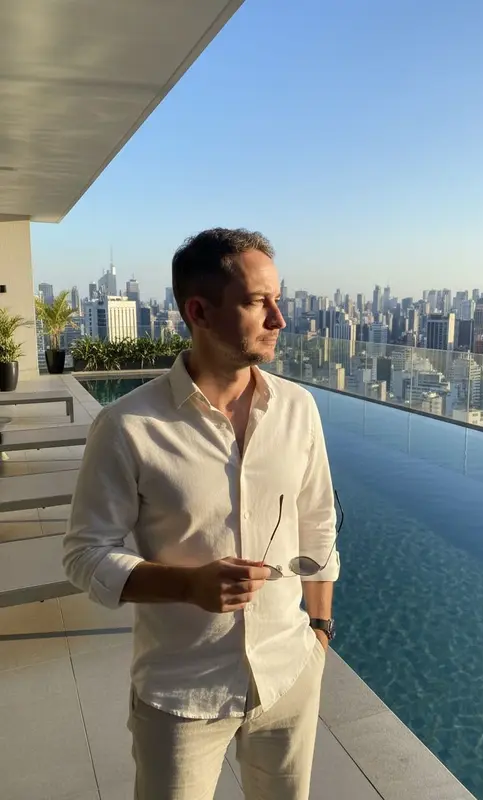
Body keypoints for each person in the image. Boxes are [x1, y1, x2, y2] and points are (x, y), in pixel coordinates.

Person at [63, 227, 340, 800]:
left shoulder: (297, 409)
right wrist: (188, 586)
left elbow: (318, 522)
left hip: (288, 673)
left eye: (278, 300)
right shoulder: (128, 427)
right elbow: (85, 556)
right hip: (182, 695)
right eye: (258, 302)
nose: (280, 319)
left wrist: (318, 630)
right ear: (199, 311)